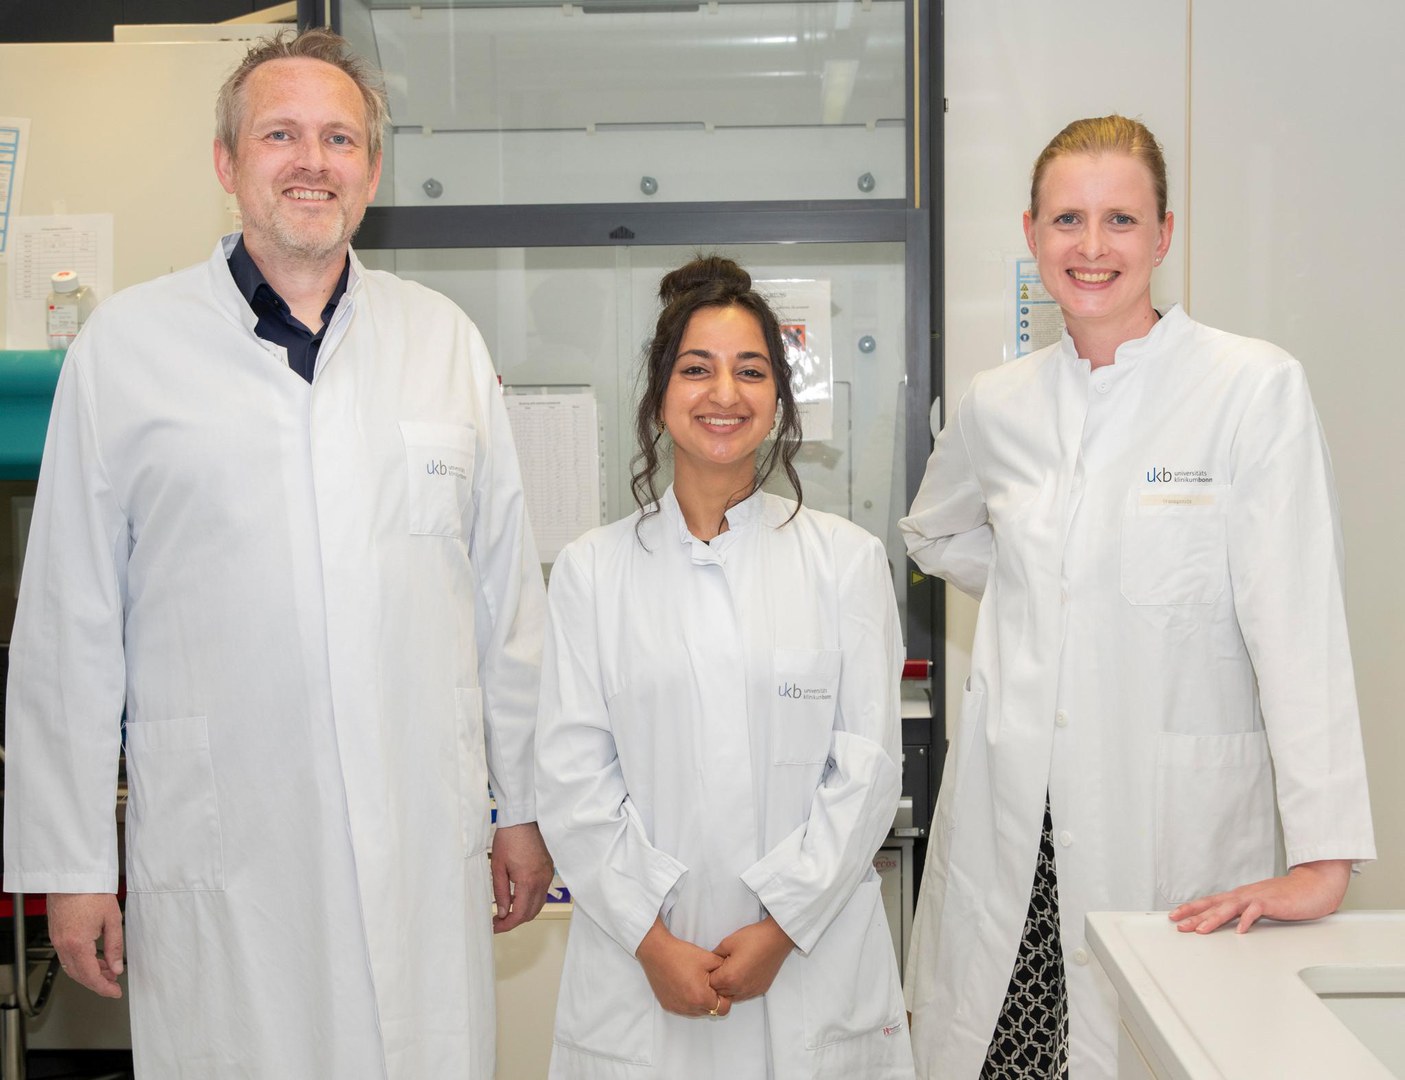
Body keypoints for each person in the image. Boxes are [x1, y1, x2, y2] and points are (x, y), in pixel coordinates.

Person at [2, 28, 553, 1078]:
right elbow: (70, 629)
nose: (313, 160)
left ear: (373, 170)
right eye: (281, 135)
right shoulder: (125, 350)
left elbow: (505, 603)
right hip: (229, 845)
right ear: (227, 163)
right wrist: (70, 867)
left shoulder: (444, 343)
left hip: (420, 836)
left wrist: (523, 810)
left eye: (340, 138)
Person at [900, 114, 1376, 1080]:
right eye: (1067, 220)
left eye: (1120, 219)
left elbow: (1299, 627)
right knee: (1010, 1052)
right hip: (1014, 829)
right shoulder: (997, 403)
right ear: (1030, 234)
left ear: (1163, 236)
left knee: (1158, 1047)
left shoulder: (1249, 388)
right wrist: (1056, 590)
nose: (1091, 246)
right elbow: (934, 531)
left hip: (1169, 825)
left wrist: (1324, 858)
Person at [535, 256, 915, 1079]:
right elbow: (571, 779)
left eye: (750, 372)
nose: (723, 394)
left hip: (809, 965)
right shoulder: (591, 571)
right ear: (659, 392)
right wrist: (652, 938)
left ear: (778, 398)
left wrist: (783, 926)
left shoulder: (845, 562)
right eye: (696, 369)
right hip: (643, 973)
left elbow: (866, 769)